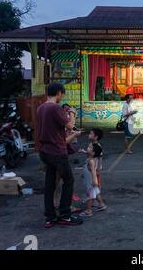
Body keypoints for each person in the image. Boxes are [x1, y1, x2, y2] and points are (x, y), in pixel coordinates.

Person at [37, 83, 83, 228]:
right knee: (68, 181)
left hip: (44, 150)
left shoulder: (41, 108)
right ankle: (65, 215)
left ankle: (50, 217)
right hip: (57, 150)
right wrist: (73, 114)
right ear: (58, 93)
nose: (62, 97)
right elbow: (70, 126)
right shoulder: (54, 108)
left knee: (50, 184)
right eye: (62, 94)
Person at [79, 143, 107, 217]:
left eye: (90, 148)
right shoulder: (90, 158)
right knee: (96, 193)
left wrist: (95, 181)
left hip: (91, 182)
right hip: (91, 181)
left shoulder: (91, 161)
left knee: (90, 196)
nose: (87, 148)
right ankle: (101, 204)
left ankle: (89, 211)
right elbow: (88, 170)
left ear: (93, 152)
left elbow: (94, 172)